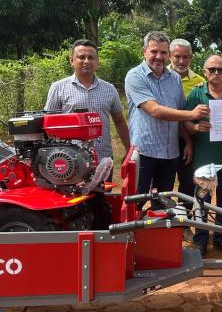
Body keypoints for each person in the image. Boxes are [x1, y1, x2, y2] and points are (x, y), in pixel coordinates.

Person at [124, 32, 208, 196]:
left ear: (168, 55)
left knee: (163, 204)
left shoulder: (174, 78)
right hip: (144, 152)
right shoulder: (135, 76)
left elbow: (178, 115)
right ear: (144, 51)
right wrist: (192, 114)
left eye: (163, 52)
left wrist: (188, 142)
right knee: (137, 202)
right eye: (154, 51)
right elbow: (154, 110)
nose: (158, 57)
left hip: (170, 153)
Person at [184, 55, 222, 256]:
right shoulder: (196, 94)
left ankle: (220, 238)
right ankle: (201, 239)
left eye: (220, 69)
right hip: (204, 160)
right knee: (202, 200)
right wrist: (195, 126)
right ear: (204, 71)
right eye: (212, 69)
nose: (216, 73)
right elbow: (184, 122)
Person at [44, 39, 130, 172]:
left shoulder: (109, 89)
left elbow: (119, 121)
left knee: (103, 192)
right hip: (69, 161)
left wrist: (128, 149)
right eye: (81, 57)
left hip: (103, 159)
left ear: (97, 62)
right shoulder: (58, 88)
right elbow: (47, 124)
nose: (86, 61)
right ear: (72, 60)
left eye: (91, 57)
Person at [169, 38, 205, 202]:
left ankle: (185, 222)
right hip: (165, 139)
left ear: (191, 58)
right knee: (164, 183)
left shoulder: (200, 82)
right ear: (170, 56)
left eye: (185, 57)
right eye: (177, 56)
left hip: (188, 139)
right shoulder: (160, 77)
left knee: (188, 183)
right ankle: (164, 225)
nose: (181, 61)